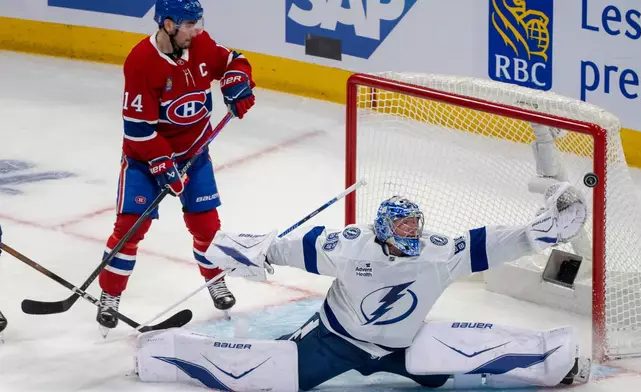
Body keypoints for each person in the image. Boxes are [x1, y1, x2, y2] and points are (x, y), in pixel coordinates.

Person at [135, 182, 590, 391]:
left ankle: (560, 359)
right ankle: (160, 352)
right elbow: (291, 248)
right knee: (262, 375)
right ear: (385, 229)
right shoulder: (350, 247)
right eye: (405, 225)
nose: (414, 231)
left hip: (402, 345)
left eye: (417, 224)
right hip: (335, 343)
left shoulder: (437, 251)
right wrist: (241, 249)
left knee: (465, 351)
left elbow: (489, 242)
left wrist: (538, 232)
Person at [96, 0, 256, 330]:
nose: (197, 30)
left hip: (194, 156)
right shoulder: (141, 62)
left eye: (199, 23)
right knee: (130, 228)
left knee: (207, 228)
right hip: (144, 160)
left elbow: (234, 61)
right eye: (190, 25)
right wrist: (162, 165)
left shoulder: (202, 45)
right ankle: (109, 295)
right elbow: (137, 129)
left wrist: (237, 83)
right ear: (169, 25)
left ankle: (215, 281)